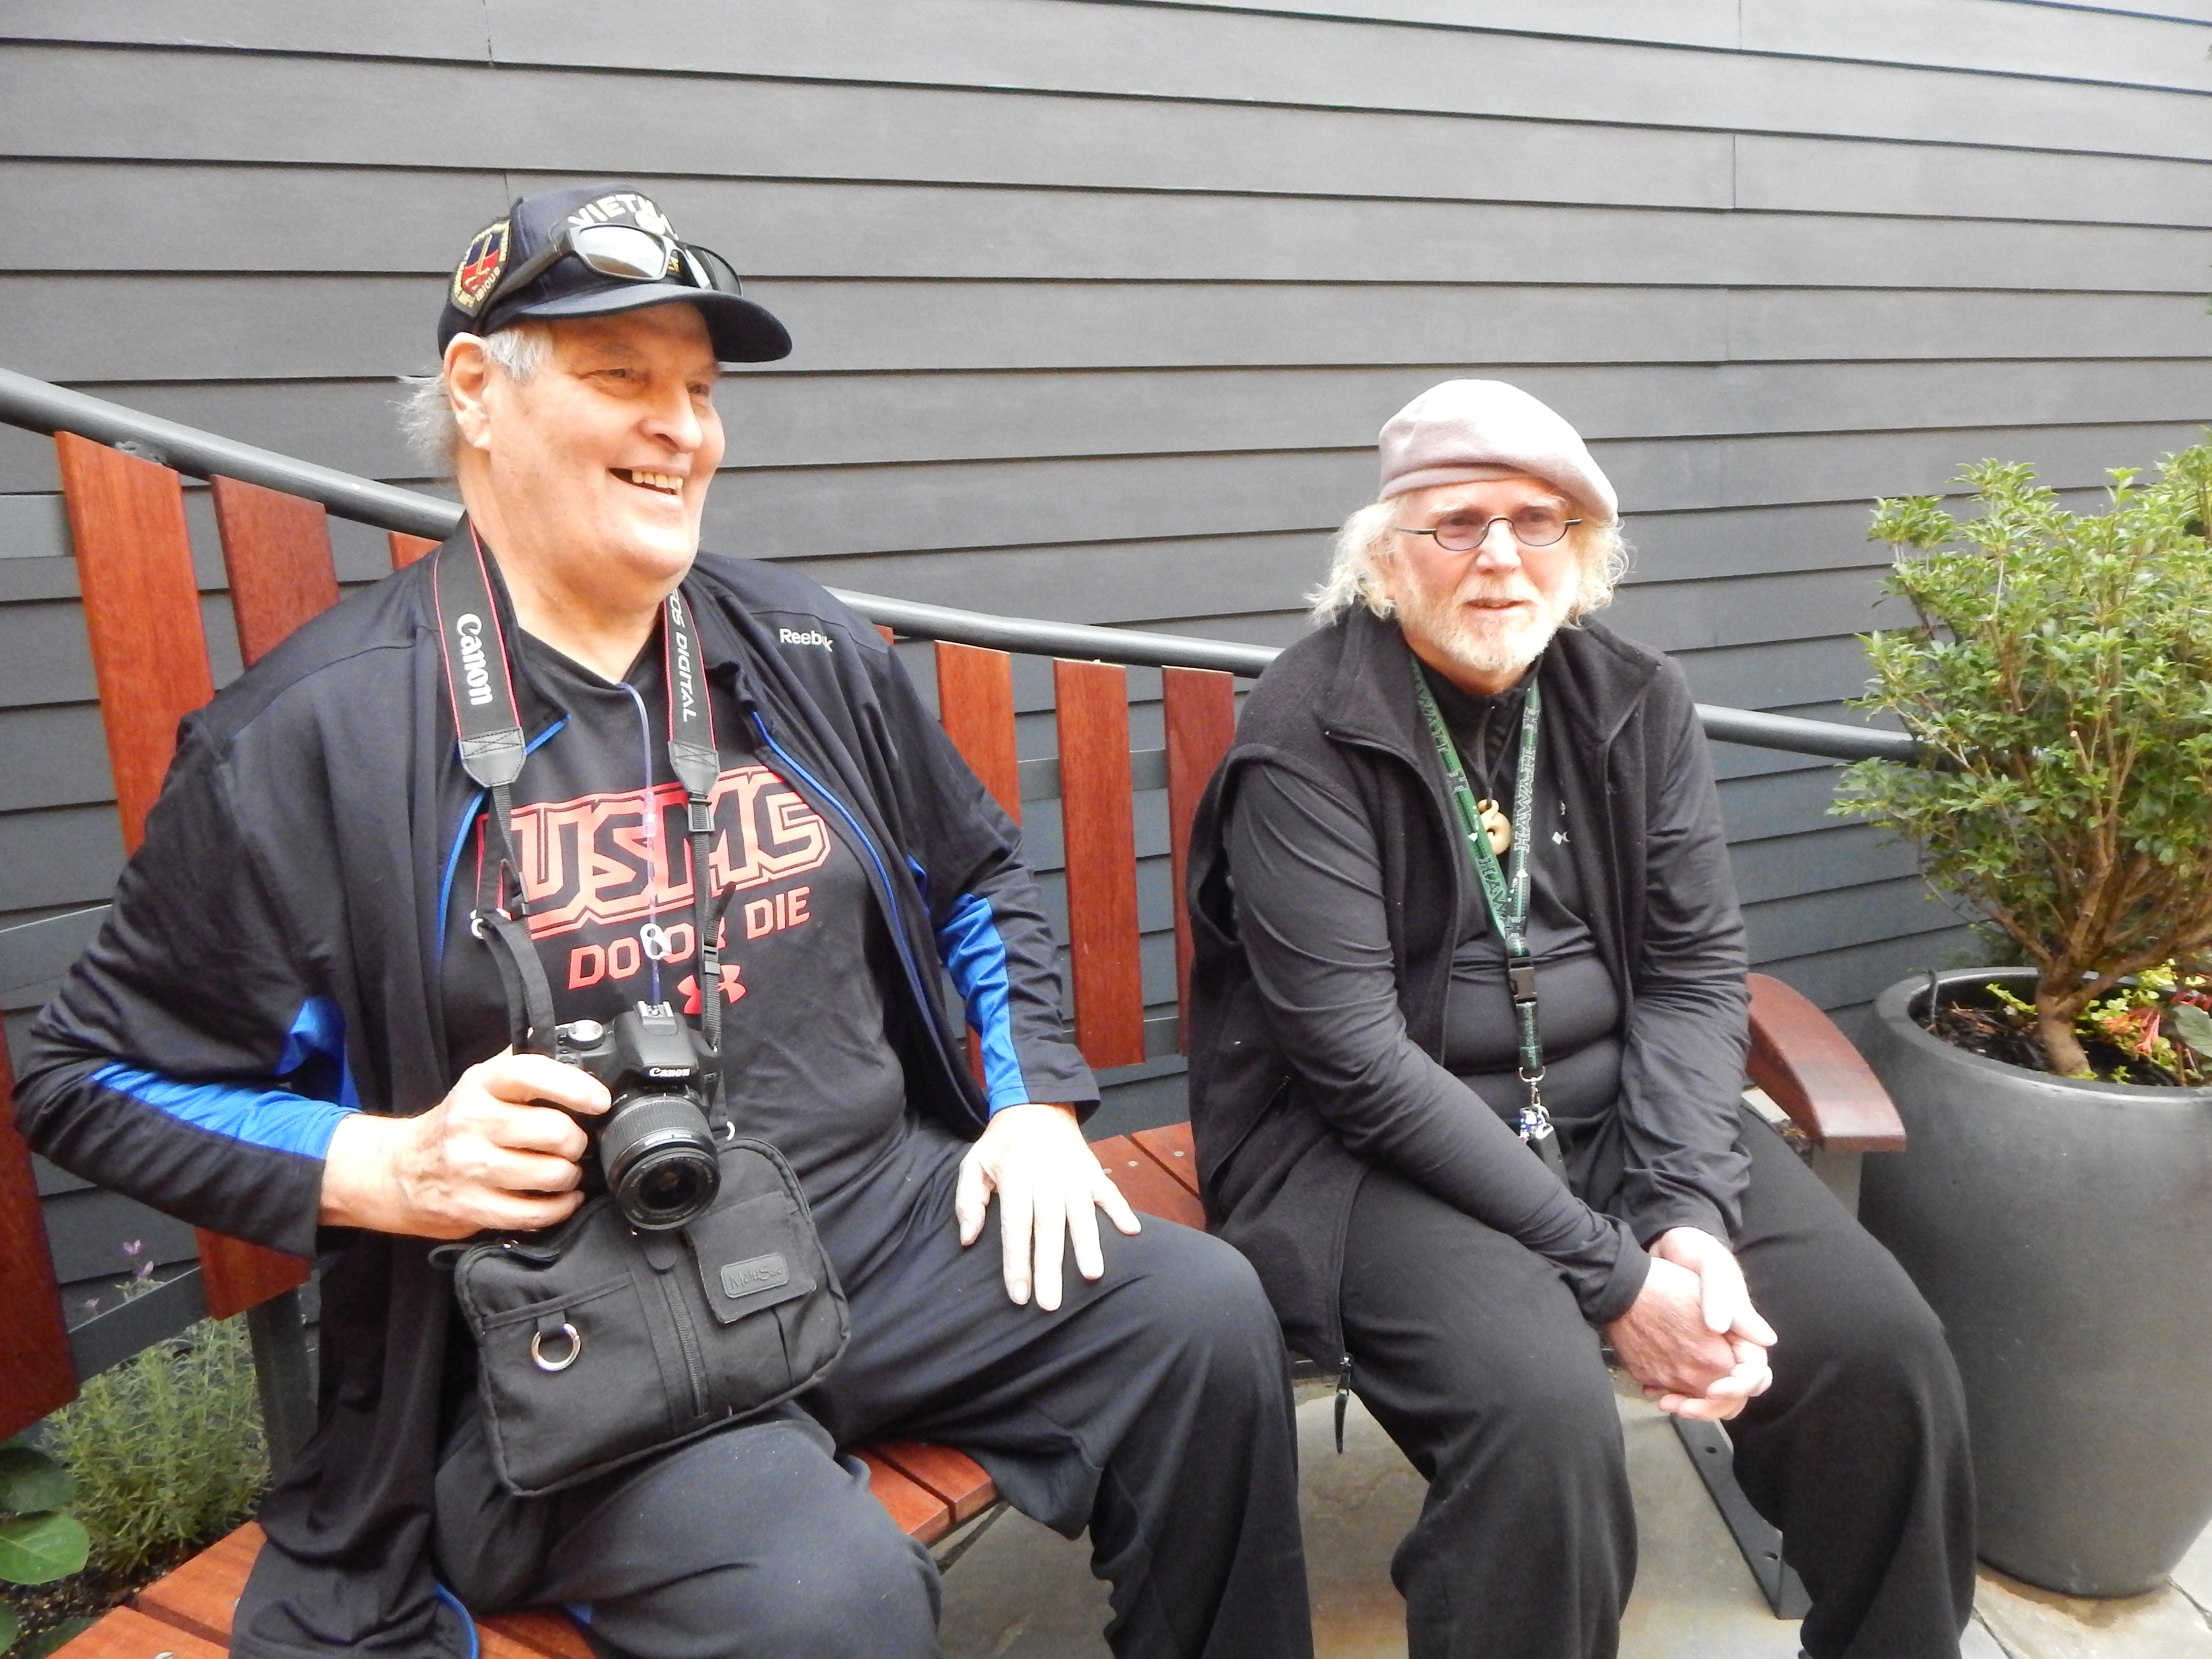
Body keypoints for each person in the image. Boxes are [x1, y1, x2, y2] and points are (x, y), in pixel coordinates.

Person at [16, 184, 1311, 1659]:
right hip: (574, 1325)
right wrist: (386, 1162)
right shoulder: (313, 736)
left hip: (880, 1229)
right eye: (619, 376)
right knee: (828, 1600)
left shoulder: (806, 647)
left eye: (698, 390)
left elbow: (976, 880)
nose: (680, 427)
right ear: (476, 397)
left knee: (1203, 1319)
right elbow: (86, 1079)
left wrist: (1032, 1110)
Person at [1183, 379, 1975, 1659]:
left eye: (1537, 521)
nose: (1500, 556)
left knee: (1884, 1357)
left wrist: (1687, 1220)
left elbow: (1695, 968)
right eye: (1456, 523)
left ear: (1583, 548)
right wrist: (1616, 1280)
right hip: (1377, 1161)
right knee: (1542, 1426)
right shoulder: (1305, 737)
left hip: (1618, 1125)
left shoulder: (1632, 698)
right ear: (1386, 553)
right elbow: (1355, 1065)